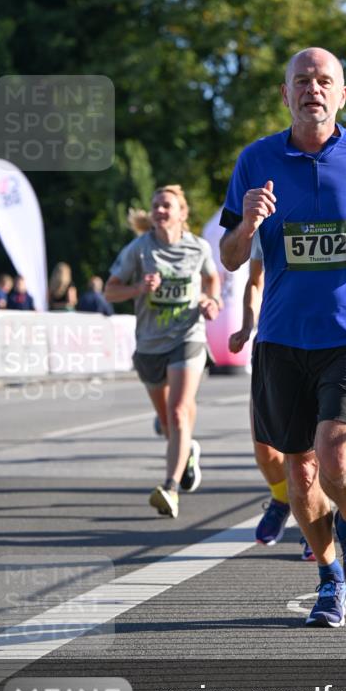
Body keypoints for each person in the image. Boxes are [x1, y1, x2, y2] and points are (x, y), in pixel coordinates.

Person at [219, 47, 346, 628]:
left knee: (334, 450)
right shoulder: (256, 160)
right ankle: (329, 579)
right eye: (301, 80)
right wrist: (248, 224)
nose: (313, 89)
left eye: (325, 81)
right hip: (281, 337)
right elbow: (228, 257)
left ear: (342, 95)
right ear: (285, 94)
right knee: (299, 475)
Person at [105, 185, 222, 517]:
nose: (159, 210)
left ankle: (170, 487)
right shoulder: (139, 251)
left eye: (166, 205)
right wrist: (138, 288)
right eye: (155, 205)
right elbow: (110, 292)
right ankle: (188, 452)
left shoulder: (198, 247)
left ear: (182, 213)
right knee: (166, 421)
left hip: (188, 335)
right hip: (150, 344)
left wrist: (211, 301)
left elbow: (212, 280)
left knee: (178, 412)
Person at [228, 233, 315, 560]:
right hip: (273, 338)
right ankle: (281, 499)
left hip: (323, 340)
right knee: (265, 449)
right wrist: (247, 324)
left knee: (309, 454)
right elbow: (255, 281)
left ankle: (315, 526)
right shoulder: (269, 222)